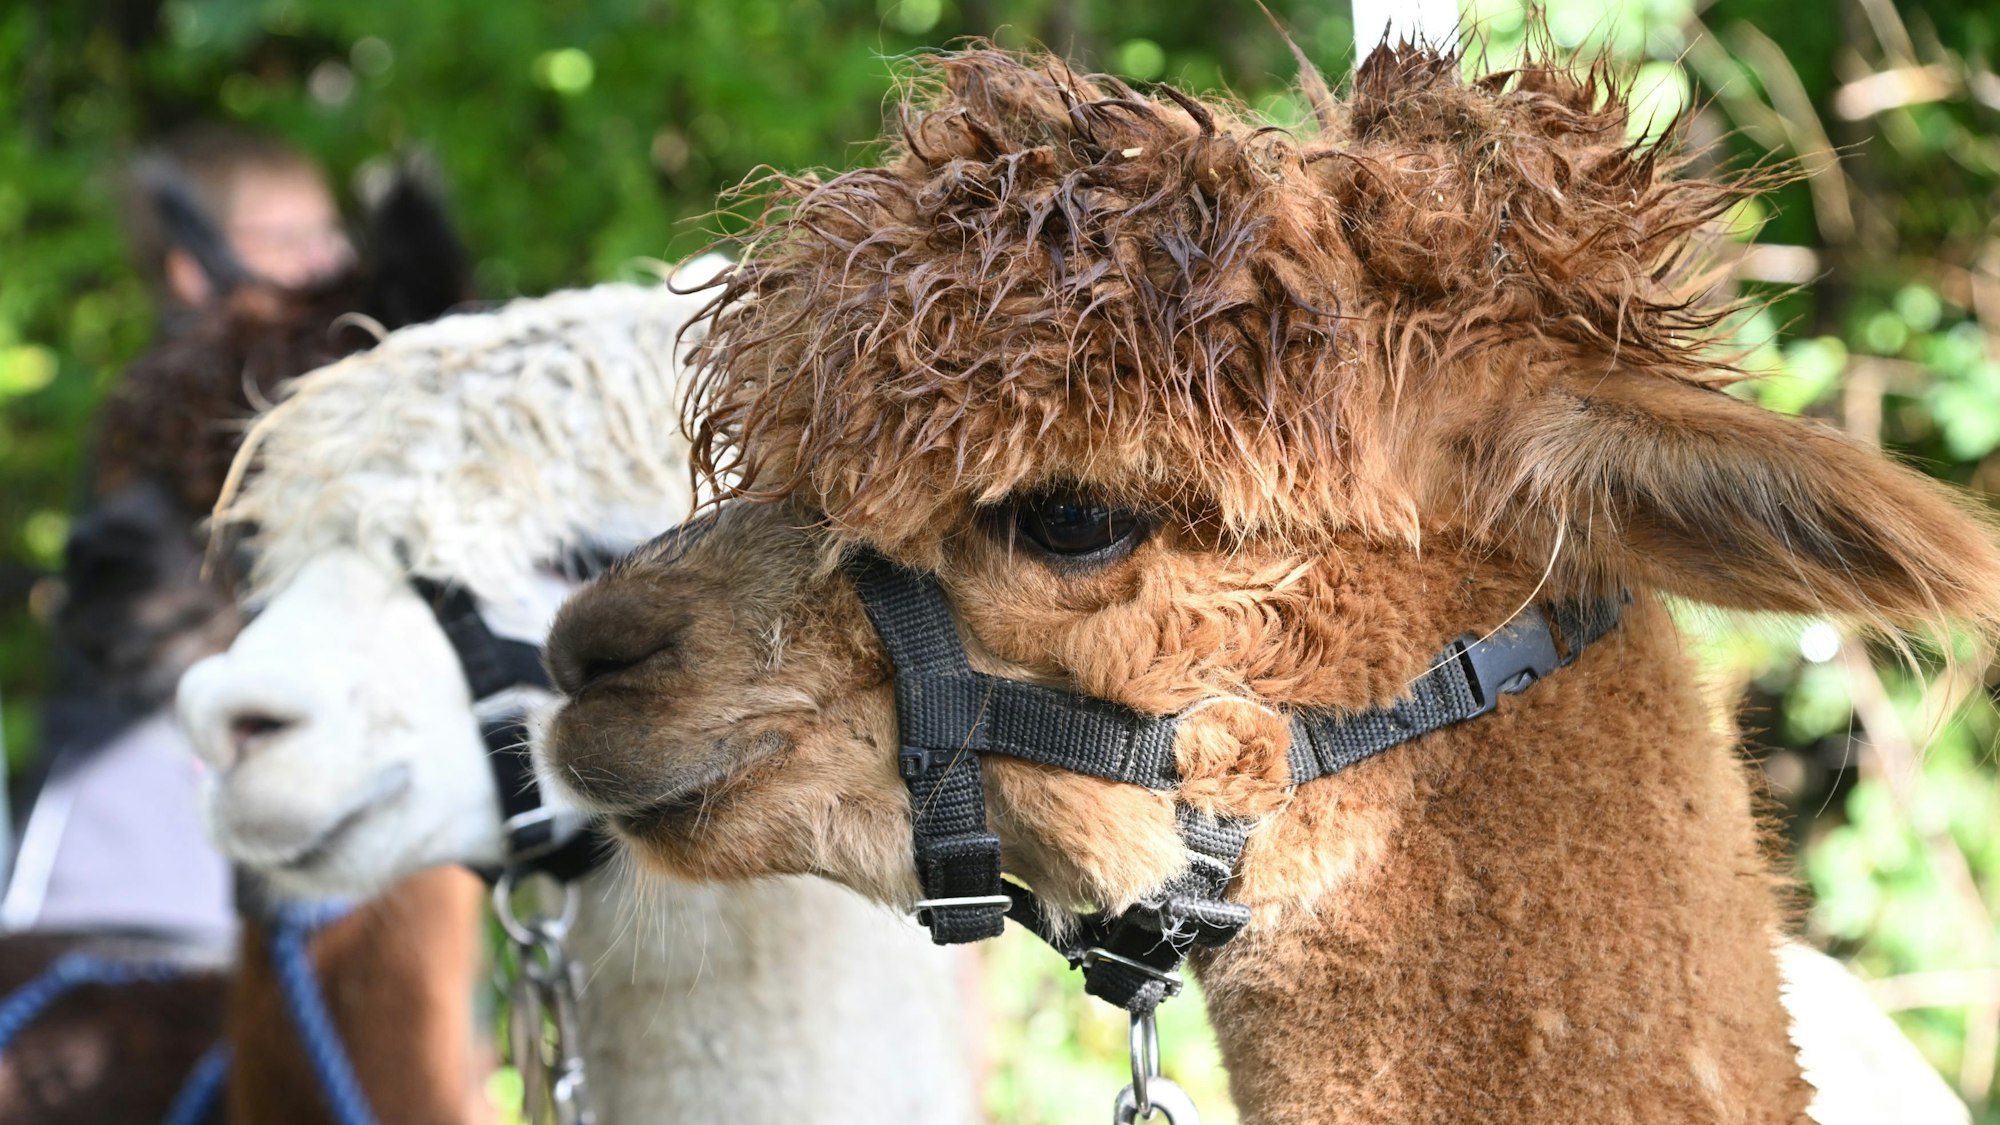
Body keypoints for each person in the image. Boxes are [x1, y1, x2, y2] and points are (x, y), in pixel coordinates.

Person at [1, 126, 353, 947]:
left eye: (328, 233)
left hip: (271, 853)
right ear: (194, 268)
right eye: (289, 239)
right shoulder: (165, 415)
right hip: (130, 852)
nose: (324, 264)